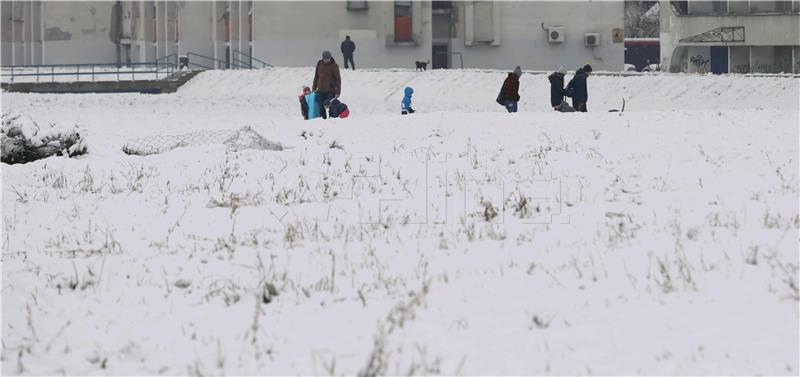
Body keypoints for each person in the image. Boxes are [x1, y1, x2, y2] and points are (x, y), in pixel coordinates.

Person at [312, 50, 341, 119]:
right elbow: (316, 76)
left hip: (330, 90)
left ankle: (331, 119)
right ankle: (323, 118)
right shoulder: (319, 63)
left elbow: (338, 80)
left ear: (330, 57)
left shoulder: (334, 66)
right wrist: (314, 88)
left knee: (328, 104)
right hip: (320, 89)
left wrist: (338, 92)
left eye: (328, 58)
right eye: (325, 59)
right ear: (323, 58)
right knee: (320, 104)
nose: (327, 60)